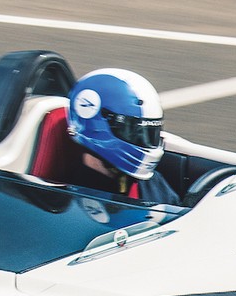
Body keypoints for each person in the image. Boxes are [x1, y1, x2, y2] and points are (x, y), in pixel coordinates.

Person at [61, 68, 182, 205]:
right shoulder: (72, 199)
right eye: (134, 130)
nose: (145, 140)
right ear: (97, 125)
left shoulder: (153, 185)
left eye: (149, 131)